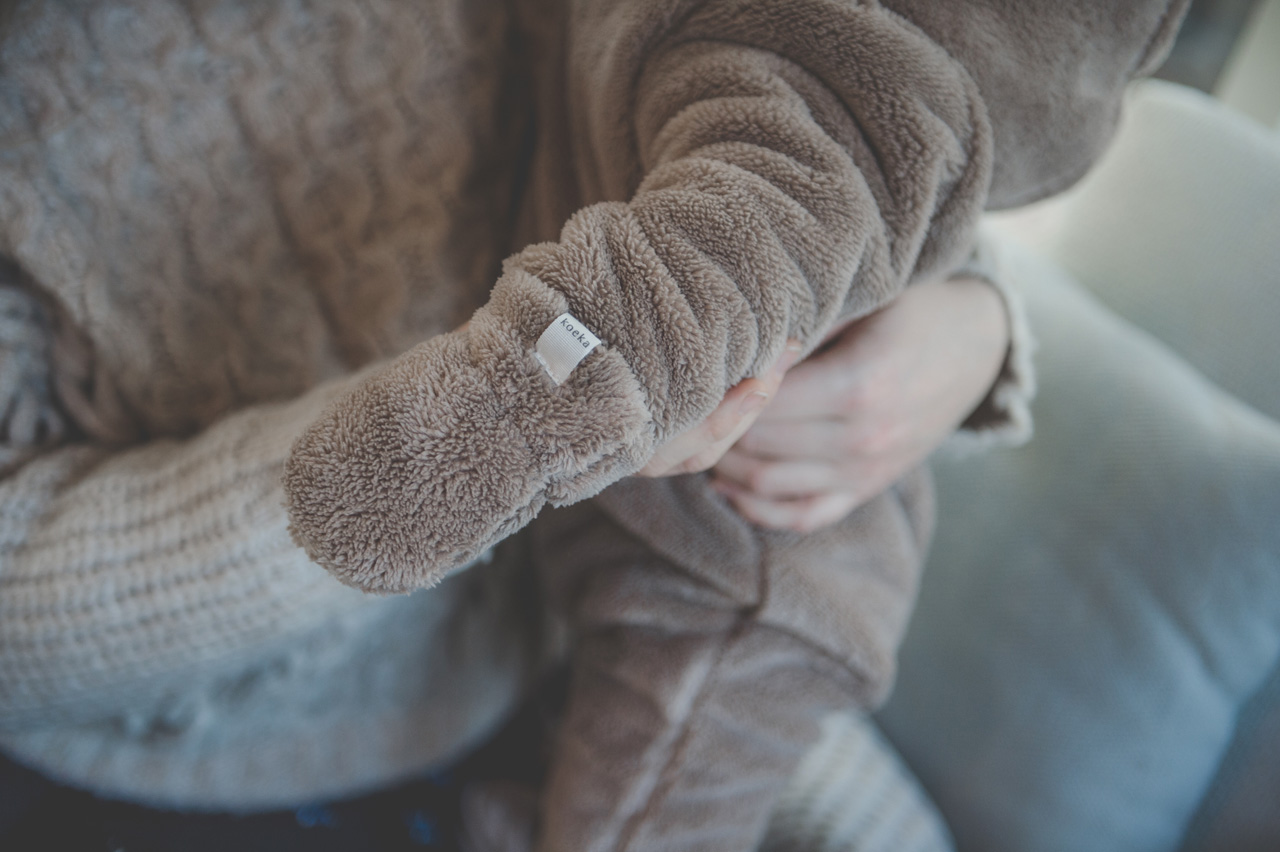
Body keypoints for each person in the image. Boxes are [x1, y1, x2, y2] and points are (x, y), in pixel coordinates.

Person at [0, 0, 1180, 848]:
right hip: (223, 749)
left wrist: (963, 322)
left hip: (582, 615)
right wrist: (479, 423)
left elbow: (815, 82)